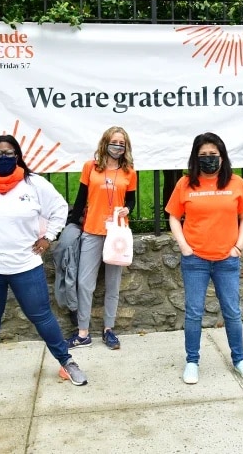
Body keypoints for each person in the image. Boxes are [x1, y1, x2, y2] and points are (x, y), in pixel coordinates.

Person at [0, 135, 88, 391]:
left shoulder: (33, 184)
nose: (3, 158)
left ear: (18, 155)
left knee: (42, 316)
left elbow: (59, 208)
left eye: (9, 153)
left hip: (25, 264)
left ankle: (67, 362)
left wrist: (48, 238)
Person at [166, 132, 243, 384]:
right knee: (194, 312)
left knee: (232, 312)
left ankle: (239, 359)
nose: (209, 160)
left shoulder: (235, 182)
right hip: (195, 260)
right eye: (203, 155)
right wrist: (184, 246)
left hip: (227, 260)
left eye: (213, 155)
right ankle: (192, 362)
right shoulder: (185, 184)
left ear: (222, 156)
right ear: (196, 158)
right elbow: (173, 217)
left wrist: (238, 246)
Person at [66, 127, 137, 350]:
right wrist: (72, 221)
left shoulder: (129, 172)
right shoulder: (91, 167)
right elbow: (80, 198)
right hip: (93, 230)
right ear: (105, 143)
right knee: (84, 284)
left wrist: (128, 209)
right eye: (114, 142)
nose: (118, 146)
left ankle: (109, 329)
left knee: (113, 285)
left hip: (116, 233)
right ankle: (83, 332)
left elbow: (132, 200)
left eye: (122, 143)